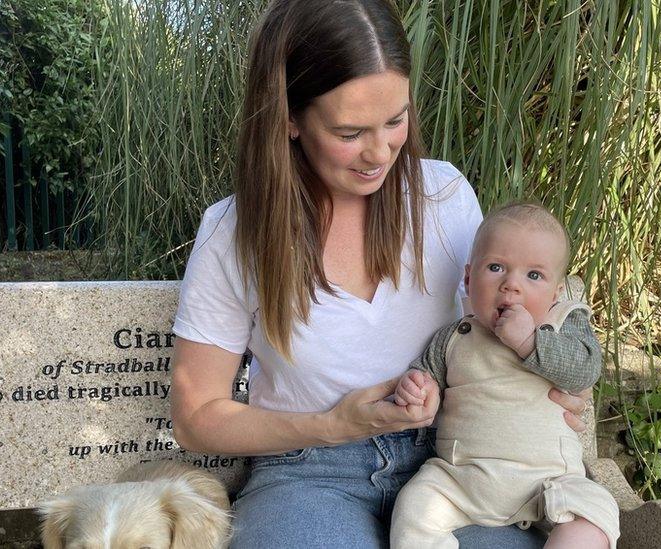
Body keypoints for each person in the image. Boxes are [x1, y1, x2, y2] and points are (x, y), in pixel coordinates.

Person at [170, 1, 592, 547]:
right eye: (349, 132)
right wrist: (333, 425)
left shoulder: (444, 196)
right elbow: (197, 415)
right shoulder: (235, 232)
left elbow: (502, 330)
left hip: (465, 465)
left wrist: (551, 380)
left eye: (395, 120)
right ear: (289, 119)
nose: (379, 153)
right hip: (310, 472)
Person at [389, 203, 619, 548]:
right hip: (462, 479)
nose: (511, 285)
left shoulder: (561, 325)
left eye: (534, 276)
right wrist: (418, 387)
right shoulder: (454, 335)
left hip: (551, 483)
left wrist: (529, 342)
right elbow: (427, 373)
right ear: (468, 279)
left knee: (595, 514)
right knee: (414, 507)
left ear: (556, 294)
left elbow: (586, 369)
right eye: (496, 268)